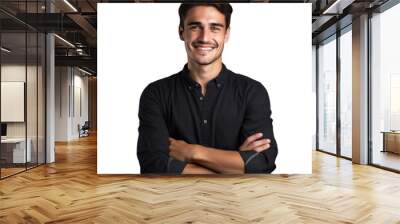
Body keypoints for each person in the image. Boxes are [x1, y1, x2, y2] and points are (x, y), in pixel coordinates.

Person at [137, 3, 278, 174]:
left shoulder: (252, 92)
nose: (204, 37)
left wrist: (192, 152)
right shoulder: (156, 94)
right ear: (181, 32)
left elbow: (263, 162)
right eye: (195, 26)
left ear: (226, 34)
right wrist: (235, 164)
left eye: (215, 28)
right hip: (174, 198)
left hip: (238, 199)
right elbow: (153, 165)